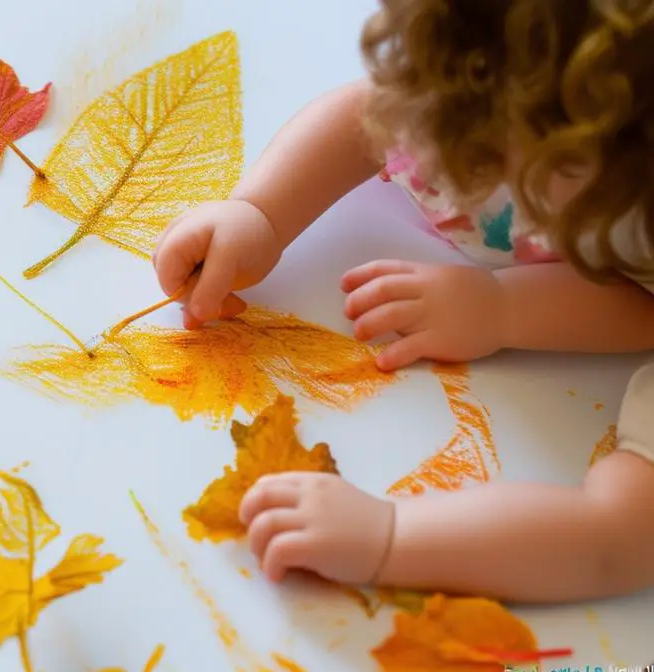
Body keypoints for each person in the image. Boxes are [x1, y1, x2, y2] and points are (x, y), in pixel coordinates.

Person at [152, 0, 654, 602]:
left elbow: (615, 542)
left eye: (496, 154)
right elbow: (365, 117)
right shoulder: (477, 83)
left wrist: (387, 538)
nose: (442, 152)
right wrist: (259, 212)